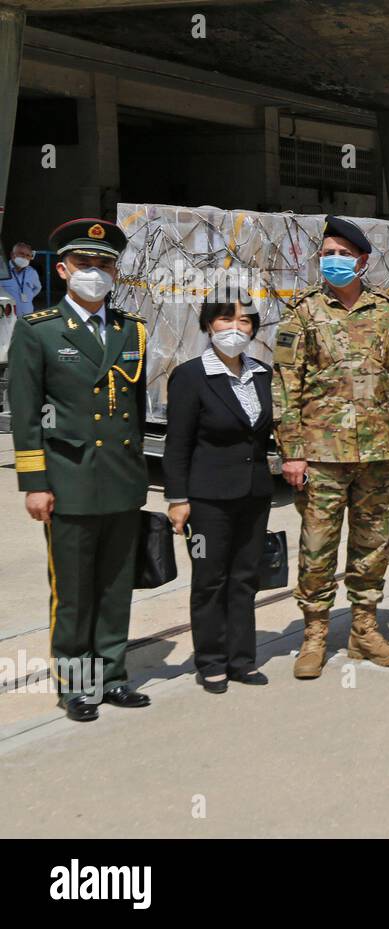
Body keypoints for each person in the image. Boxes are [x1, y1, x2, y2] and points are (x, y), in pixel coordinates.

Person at [273, 215, 389, 679]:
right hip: (320, 455)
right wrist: (292, 451)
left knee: (372, 543)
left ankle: (364, 627)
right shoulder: (301, 314)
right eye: (328, 253)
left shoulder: (387, 314)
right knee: (318, 545)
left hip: (378, 454)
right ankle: (315, 633)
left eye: (344, 254)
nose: (335, 261)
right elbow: (286, 387)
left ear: (362, 261)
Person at [8, 218, 151, 722]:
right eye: (85, 263)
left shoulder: (130, 329)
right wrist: (34, 484)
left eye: (104, 264)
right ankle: (77, 683)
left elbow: (135, 405)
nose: (95, 271)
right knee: (72, 592)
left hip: (121, 480)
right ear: (64, 270)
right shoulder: (38, 330)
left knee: (115, 588)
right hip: (68, 483)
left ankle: (112, 676)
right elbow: (25, 415)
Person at [162, 295, 274, 693]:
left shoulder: (261, 373)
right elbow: (177, 444)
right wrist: (177, 498)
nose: (235, 328)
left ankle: (242, 658)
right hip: (207, 498)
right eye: (226, 319)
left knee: (245, 578)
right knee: (210, 578)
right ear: (209, 325)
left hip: (254, 494)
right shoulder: (191, 376)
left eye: (245, 321)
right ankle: (210, 660)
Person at [2, 241, 43, 317]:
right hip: (7, 317)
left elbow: (38, 288)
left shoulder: (32, 272)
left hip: (27, 316)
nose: (24, 257)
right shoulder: (2, 270)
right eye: (21, 254)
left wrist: (29, 297)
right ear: (12, 255)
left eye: (28, 255)